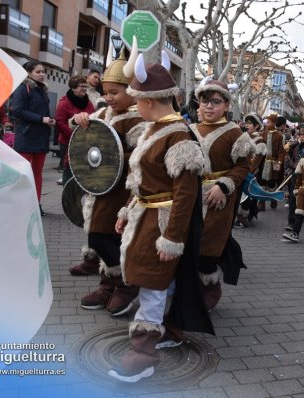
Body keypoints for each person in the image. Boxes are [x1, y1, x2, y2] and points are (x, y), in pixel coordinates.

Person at [109, 52, 214, 383]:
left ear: (148, 100)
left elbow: (186, 194)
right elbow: (140, 180)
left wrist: (173, 237)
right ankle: (168, 329)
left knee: (153, 284)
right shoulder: (153, 129)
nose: (134, 105)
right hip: (145, 216)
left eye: (137, 99)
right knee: (157, 281)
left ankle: (143, 354)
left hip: (163, 222)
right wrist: (128, 210)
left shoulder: (178, 135)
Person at [69, 49, 143, 314]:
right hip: (100, 187)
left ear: (131, 91)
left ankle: (125, 284)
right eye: (106, 92)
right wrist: (80, 119)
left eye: (115, 92)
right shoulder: (103, 114)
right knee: (97, 235)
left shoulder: (139, 118)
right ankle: (108, 283)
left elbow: (142, 155)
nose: (109, 97)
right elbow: (78, 127)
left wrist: (116, 154)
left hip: (122, 191)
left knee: (109, 236)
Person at [190, 80, 252, 311]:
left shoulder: (235, 133)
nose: (209, 106)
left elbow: (243, 167)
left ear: (226, 105)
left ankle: (210, 287)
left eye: (215, 102)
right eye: (205, 101)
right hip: (192, 195)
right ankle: (190, 288)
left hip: (218, 199)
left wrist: (223, 185)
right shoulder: (190, 130)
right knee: (190, 242)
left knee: (209, 244)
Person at [10, 60, 55, 216]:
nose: (42, 74)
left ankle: (36, 205)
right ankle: (18, 204)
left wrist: (49, 120)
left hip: (41, 137)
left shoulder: (42, 90)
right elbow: (16, 110)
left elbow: (43, 113)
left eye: (43, 72)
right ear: (28, 73)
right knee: (23, 173)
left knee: (37, 173)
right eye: (38, 72)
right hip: (26, 137)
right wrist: (40, 119)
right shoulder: (23, 88)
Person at [55, 75, 95, 185]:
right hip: (68, 141)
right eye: (81, 86)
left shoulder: (89, 103)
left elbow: (93, 118)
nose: (84, 88)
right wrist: (75, 135)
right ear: (73, 87)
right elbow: (60, 124)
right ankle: (68, 191)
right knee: (69, 168)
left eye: (85, 86)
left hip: (85, 142)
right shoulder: (63, 103)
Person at [235, 113, 266, 228]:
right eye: (246, 123)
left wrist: (248, 171)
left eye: (249, 123)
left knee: (247, 195)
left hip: (251, 172)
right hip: (242, 170)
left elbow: (256, 159)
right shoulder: (245, 137)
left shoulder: (259, 140)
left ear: (256, 126)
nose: (246, 125)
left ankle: (243, 217)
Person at [283, 123, 304, 231]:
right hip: (295, 176)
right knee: (292, 198)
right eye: (300, 134)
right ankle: (291, 222)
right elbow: (289, 159)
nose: (302, 136)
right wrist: (293, 164)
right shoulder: (295, 146)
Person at [257, 113, 285, 210]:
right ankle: (261, 202)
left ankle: (273, 199)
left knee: (272, 183)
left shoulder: (279, 136)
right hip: (264, 162)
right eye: (266, 122)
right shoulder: (263, 134)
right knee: (262, 183)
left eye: (268, 122)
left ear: (274, 123)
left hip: (274, 162)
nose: (266, 124)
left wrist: (279, 163)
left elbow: (281, 151)